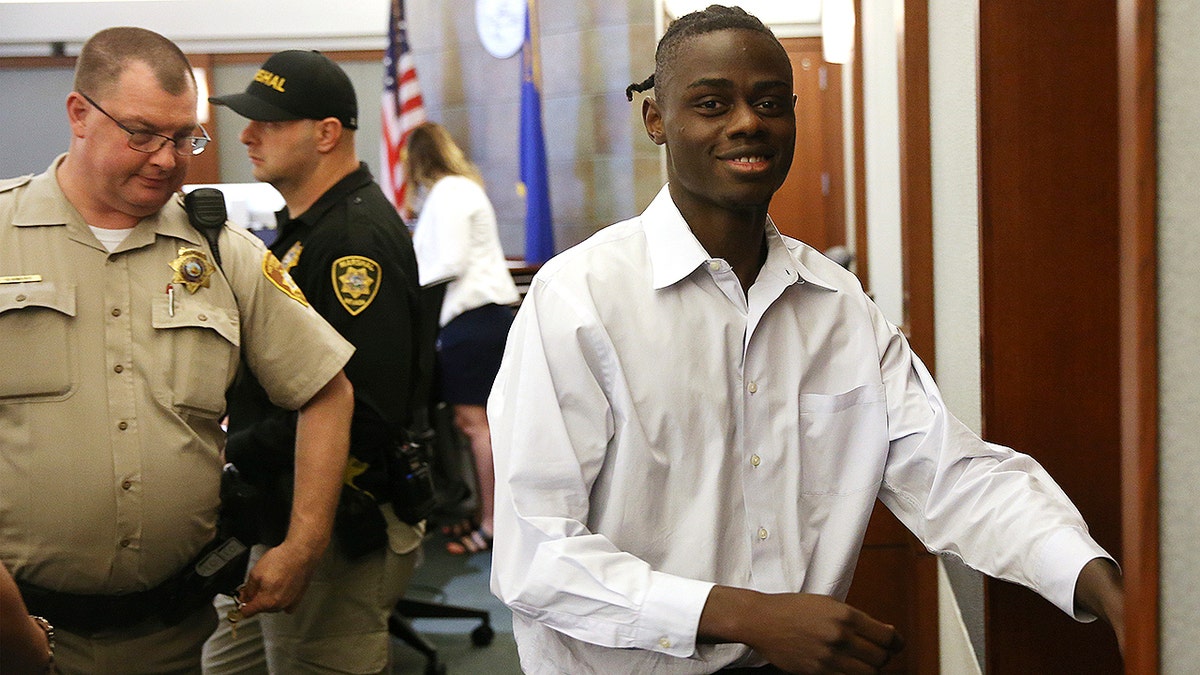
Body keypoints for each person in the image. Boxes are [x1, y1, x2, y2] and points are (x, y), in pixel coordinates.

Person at [487, 6, 1124, 674]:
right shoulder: (579, 298)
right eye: (711, 103)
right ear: (657, 121)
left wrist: (1103, 583)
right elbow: (537, 552)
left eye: (769, 102)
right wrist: (747, 615)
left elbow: (954, 476)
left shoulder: (839, 306)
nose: (746, 123)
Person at [0, 27, 355, 675]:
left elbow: (326, 387)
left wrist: (304, 543)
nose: (167, 158)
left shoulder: (220, 249)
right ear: (79, 114)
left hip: (171, 633)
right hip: (13, 628)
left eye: (184, 136)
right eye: (141, 132)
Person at [202, 50, 427, 674]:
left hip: (336, 518)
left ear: (327, 133)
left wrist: (235, 447)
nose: (246, 134)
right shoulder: (308, 231)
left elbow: (365, 405)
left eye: (269, 122)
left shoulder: (351, 244)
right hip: (280, 507)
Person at [404, 121, 520, 555]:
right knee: (470, 425)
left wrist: (404, 284)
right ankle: (483, 514)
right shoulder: (456, 190)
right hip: (472, 321)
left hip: (473, 321)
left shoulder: (451, 192)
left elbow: (447, 261)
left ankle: (493, 526)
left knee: (480, 429)